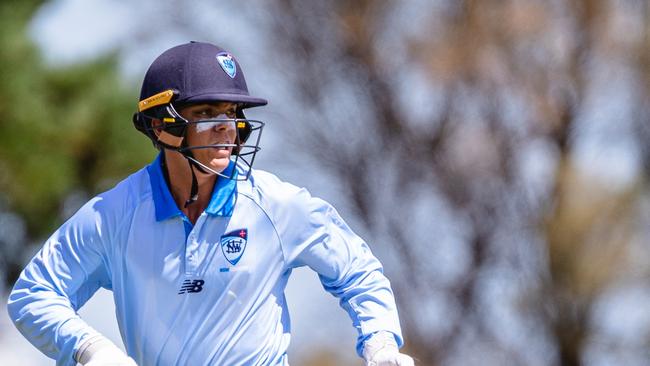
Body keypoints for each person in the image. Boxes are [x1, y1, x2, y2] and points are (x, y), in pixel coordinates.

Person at [7, 41, 414, 366]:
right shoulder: (113, 215)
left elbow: (358, 269)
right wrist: (89, 349)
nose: (227, 126)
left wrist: (379, 341)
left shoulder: (277, 205)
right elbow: (32, 295)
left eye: (232, 112)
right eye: (206, 111)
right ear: (160, 125)